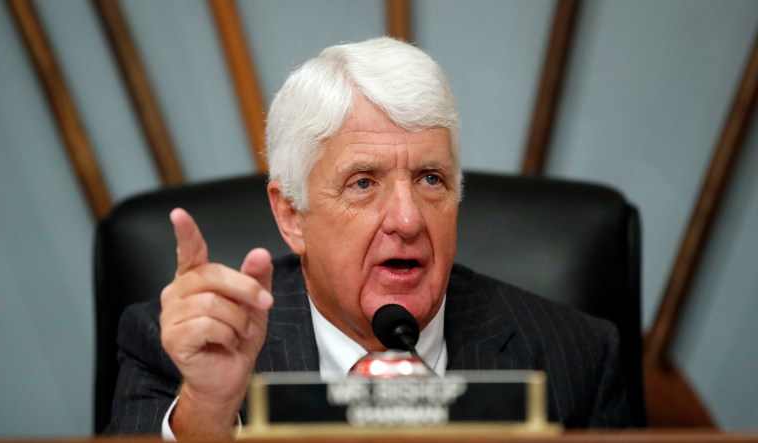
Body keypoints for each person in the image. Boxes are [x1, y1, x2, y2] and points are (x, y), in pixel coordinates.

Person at [105, 37, 630, 437]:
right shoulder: (174, 352)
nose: (407, 219)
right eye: (363, 183)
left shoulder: (577, 356)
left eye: (431, 179)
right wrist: (211, 411)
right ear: (291, 215)